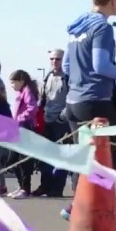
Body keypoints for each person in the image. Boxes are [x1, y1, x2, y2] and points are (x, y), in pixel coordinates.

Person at [59, 0, 116, 221]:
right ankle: (88, 207)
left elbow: (66, 65)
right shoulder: (102, 28)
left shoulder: (77, 26)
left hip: (74, 101)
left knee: (83, 157)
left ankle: (77, 207)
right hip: (95, 99)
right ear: (113, 0)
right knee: (114, 154)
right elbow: (101, 65)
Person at [35, 48, 72, 197]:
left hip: (61, 121)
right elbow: (43, 98)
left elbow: (72, 99)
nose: (54, 62)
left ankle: (57, 188)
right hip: (47, 119)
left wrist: (62, 116)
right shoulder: (48, 76)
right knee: (46, 155)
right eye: (52, 59)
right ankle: (45, 185)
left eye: (57, 59)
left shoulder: (68, 77)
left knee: (61, 156)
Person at [2, 69, 41, 198]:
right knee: (13, 160)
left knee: (22, 160)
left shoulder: (27, 91)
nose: (12, 85)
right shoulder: (21, 92)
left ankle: (25, 188)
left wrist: (19, 119)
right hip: (17, 128)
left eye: (14, 82)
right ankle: (21, 186)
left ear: (21, 81)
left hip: (25, 127)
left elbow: (32, 108)